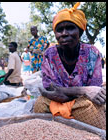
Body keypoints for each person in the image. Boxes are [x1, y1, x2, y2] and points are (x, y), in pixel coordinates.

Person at [34, 2, 106, 130]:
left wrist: (64, 91)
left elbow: (96, 90)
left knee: (94, 112)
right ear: (55, 34)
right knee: (39, 105)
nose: (64, 33)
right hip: (56, 101)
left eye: (70, 28)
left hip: (82, 103)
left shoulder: (92, 53)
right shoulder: (49, 55)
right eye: (59, 30)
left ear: (80, 31)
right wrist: (84, 90)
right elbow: (51, 89)